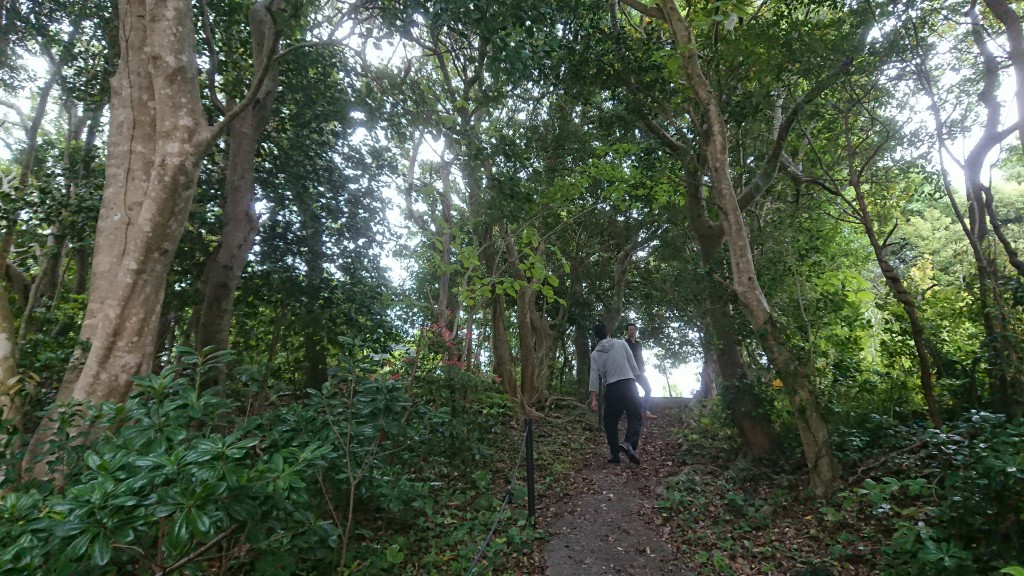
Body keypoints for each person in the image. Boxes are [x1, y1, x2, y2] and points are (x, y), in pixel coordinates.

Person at [589, 322, 643, 465]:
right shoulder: (621, 344)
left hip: (612, 388)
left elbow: (594, 376)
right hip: (629, 384)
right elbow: (633, 364)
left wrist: (594, 398)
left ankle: (615, 454)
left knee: (610, 422)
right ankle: (629, 443)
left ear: (596, 336)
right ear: (609, 332)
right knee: (635, 416)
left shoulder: (594, 354)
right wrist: (636, 378)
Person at [625, 322, 657, 420]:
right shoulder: (624, 343)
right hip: (629, 372)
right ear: (627, 332)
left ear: (636, 331)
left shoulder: (639, 344)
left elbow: (640, 356)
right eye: (630, 329)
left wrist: (643, 366)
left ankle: (644, 411)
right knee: (632, 392)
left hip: (639, 371)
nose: (632, 331)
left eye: (633, 329)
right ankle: (631, 412)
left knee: (648, 389)